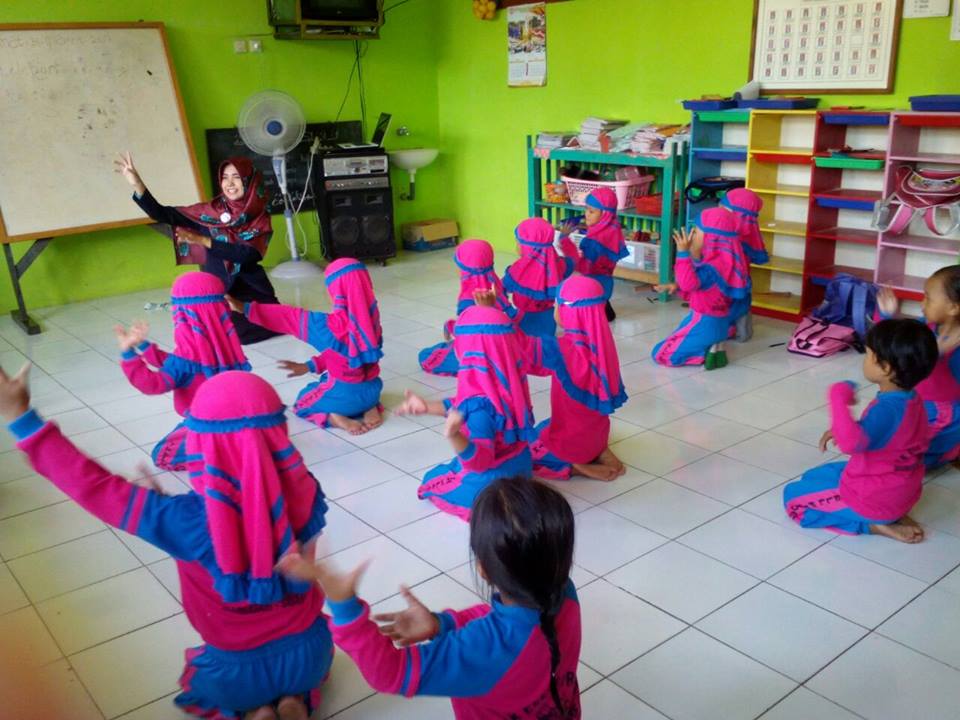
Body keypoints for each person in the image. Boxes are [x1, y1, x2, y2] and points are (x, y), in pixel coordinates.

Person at [0, 367, 333, 720]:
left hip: (234, 672)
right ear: (279, 433)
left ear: (201, 444)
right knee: (296, 664)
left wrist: (22, 417)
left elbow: (94, 488)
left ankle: (256, 709)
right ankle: (294, 700)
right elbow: (259, 504)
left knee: (220, 683)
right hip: (310, 654)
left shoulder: (182, 521)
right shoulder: (307, 492)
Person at [278, 476, 583, 719]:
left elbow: (391, 673)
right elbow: (509, 624)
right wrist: (443, 623)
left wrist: (345, 607)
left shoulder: (483, 648)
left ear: (483, 569)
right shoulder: (563, 590)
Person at [783, 319, 938, 543]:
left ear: (886, 368)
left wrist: (837, 397)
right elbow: (887, 435)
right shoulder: (913, 400)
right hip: (902, 490)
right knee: (816, 475)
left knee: (793, 498)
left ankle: (873, 525)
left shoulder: (886, 410)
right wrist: (841, 428)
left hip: (874, 499)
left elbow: (850, 444)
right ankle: (893, 514)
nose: (864, 360)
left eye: (868, 355)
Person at [115, 152, 281, 345]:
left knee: (245, 330)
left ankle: (271, 317)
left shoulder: (259, 217)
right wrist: (137, 183)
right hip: (218, 289)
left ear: (249, 181)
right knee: (215, 329)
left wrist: (203, 240)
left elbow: (248, 254)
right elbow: (162, 213)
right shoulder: (208, 213)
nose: (229, 183)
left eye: (236, 177)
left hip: (250, 288)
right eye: (225, 177)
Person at [478, 276, 628, 481]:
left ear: (567, 311)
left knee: (518, 456)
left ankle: (575, 467)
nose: (555, 309)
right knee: (563, 422)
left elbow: (519, 345)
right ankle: (601, 451)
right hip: (596, 436)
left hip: (570, 445)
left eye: (557, 304)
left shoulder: (561, 350)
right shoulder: (604, 346)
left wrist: (490, 311)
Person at [398, 305, 535, 521]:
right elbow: (463, 406)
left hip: (490, 485)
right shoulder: (510, 383)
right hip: (521, 466)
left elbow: (480, 462)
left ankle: (501, 504)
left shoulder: (479, 410)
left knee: (431, 480)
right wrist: (427, 407)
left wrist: (455, 436)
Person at [229, 258, 383, 435]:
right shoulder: (371, 323)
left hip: (345, 396)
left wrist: (245, 308)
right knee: (328, 378)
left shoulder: (327, 326)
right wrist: (309, 366)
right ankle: (370, 406)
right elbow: (345, 354)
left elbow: (289, 316)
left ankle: (335, 418)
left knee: (303, 402)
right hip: (373, 389)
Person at [115, 272, 250, 472]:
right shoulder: (227, 351)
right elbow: (174, 364)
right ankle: (238, 443)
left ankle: (222, 453)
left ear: (182, 315)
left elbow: (154, 384)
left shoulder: (185, 359)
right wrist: (143, 346)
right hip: (238, 421)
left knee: (162, 454)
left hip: (206, 424)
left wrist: (128, 354)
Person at [877, 266, 960, 468]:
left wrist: (939, 353)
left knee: (903, 459)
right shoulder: (928, 326)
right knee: (886, 438)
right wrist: (889, 317)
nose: (922, 303)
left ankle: (949, 449)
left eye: (928, 298)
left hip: (944, 413)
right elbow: (899, 345)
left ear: (953, 308)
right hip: (916, 401)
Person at [651, 208, 749, 369]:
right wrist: (676, 286)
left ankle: (703, 354)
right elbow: (705, 288)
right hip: (721, 324)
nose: (692, 236)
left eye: (696, 232)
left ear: (711, 238)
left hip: (704, 323)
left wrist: (683, 254)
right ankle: (714, 349)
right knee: (678, 337)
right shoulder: (728, 263)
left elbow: (689, 284)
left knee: (660, 354)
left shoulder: (710, 268)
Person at [419, 239, 515, 376]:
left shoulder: (469, 297)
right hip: (503, 345)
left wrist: (450, 326)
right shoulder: (496, 285)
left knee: (425, 355)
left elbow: (469, 333)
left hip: (479, 352)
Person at [558, 187, 628, 322]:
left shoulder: (595, 240)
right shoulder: (613, 228)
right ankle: (602, 310)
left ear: (605, 214)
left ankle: (593, 312)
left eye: (591, 211)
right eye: (586, 209)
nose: (587, 214)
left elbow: (580, 265)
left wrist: (564, 240)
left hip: (591, 284)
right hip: (605, 282)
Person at [502, 217, 573, 337]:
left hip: (523, 320)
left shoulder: (517, 271)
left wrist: (510, 312)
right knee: (545, 344)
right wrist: (564, 239)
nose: (517, 245)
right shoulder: (559, 265)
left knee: (525, 346)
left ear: (528, 247)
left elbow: (498, 291)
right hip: (549, 320)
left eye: (518, 242)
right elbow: (573, 261)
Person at [720, 188, 768, 342]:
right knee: (738, 303)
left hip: (730, 282)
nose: (720, 210)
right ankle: (738, 331)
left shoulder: (728, 232)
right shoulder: (748, 230)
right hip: (737, 283)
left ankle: (731, 330)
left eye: (724, 208)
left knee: (733, 303)